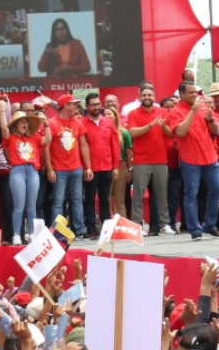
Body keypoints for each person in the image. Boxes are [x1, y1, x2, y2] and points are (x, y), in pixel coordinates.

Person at [164, 82, 219, 241]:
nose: (194, 95)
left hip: (210, 157)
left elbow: (218, 132)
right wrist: (193, 111)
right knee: (191, 193)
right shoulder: (175, 112)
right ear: (182, 94)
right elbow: (181, 132)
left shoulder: (205, 106)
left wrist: (211, 121)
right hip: (190, 159)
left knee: (217, 188)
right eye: (190, 93)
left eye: (195, 92)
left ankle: (210, 224)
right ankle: (194, 228)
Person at [126, 84, 174, 236]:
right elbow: (132, 133)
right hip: (141, 160)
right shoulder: (133, 113)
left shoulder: (162, 111)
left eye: (149, 95)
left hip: (160, 159)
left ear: (154, 96)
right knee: (138, 195)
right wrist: (151, 125)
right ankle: (138, 225)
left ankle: (164, 224)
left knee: (161, 194)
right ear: (140, 96)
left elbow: (170, 133)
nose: (147, 98)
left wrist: (164, 126)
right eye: (144, 95)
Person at [0, 110, 48, 244]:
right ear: (15, 124)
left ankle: (31, 234)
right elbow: (3, 128)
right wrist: (2, 110)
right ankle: (16, 235)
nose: (24, 123)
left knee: (31, 206)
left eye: (26, 121)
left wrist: (47, 125)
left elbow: (47, 139)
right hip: (17, 171)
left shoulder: (34, 137)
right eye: (21, 121)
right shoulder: (10, 138)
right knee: (18, 206)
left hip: (32, 171)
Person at [45, 95, 92, 236]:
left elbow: (83, 144)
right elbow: (46, 147)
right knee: (58, 201)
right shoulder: (52, 123)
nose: (76, 107)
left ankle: (80, 230)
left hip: (76, 167)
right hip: (59, 169)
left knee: (77, 200)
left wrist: (88, 166)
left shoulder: (78, 123)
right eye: (73, 104)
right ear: (65, 105)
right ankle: (58, 231)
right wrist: (49, 169)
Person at [81, 92, 121, 239]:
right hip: (91, 168)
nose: (97, 107)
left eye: (98, 104)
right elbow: (81, 148)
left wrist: (116, 167)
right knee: (90, 199)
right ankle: (91, 228)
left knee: (105, 199)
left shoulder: (108, 122)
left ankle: (106, 229)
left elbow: (114, 145)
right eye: (93, 104)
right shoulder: (82, 123)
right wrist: (86, 167)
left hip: (107, 167)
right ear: (87, 106)